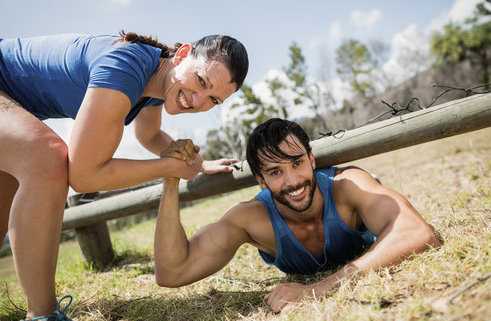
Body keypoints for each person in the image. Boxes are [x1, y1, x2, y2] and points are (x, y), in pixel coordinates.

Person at [0, 31, 248, 320]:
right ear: (182, 54)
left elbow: (150, 134)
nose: (197, 101)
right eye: (201, 81)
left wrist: (198, 163)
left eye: (213, 100)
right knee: (45, 160)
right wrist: (168, 168)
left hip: (1, 100)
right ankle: (43, 315)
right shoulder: (126, 66)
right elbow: (84, 176)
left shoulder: (158, 85)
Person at [154, 118, 441, 313]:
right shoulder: (249, 219)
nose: (292, 181)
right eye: (276, 172)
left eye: (297, 163)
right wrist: (170, 179)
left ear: (311, 160)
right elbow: (171, 272)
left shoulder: (348, 186)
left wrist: (319, 288)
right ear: (261, 181)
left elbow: (418, 233)